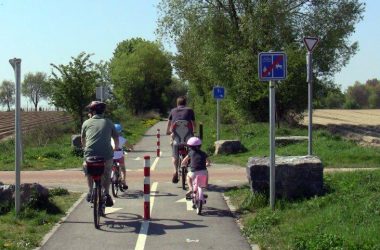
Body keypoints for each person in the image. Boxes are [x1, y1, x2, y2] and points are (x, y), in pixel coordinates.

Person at [81, 101, 119, 207]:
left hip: (90, 154)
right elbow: (116, 137)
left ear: (92, 112)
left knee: (88, 171)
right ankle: (106, 194)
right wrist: (116, 148)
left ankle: (90, 192)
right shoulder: (109, 122)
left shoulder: (86, 123)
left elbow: (83, 140)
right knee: (106, 173)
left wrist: (85, 149)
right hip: (106, 154)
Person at [166, 96, 196, 183]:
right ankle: (190, 161)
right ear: (185, 103)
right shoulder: (190, 110)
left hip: (177, 138)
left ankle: (175, 171)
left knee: (174, 152)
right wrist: (194, 131)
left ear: (177, 103)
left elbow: (169, 123)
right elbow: (193, 123)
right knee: (192, 149)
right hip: (188, 138)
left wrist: (167, 131)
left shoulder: (173, 111)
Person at [111, 123, 133, 189]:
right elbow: (130, 146)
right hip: (119, 156)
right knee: (123, 168)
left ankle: (111, 175)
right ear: (120, 131)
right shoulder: (121, 139)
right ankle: (123, 181)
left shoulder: (109, 138)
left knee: (109, 166)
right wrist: (131, 149)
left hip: (111, 156)